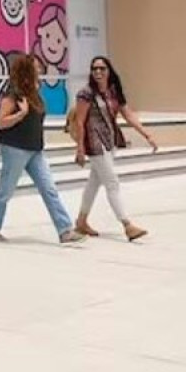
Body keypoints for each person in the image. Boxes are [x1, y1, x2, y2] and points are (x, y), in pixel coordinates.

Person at [0, 54, 85, 244]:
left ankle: (65, 230)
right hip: (15, 149)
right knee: (5, 191)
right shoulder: (13, 94)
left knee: (49, 189)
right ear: (26, 70)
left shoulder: (35, 92)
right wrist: (21, 114)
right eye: (36, 67)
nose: (39, 69)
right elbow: (1, 122)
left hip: (35, 150)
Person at [73, 56, 157, 241]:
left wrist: (146, 134)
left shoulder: (113, 92)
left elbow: (128, 115)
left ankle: (81, 221)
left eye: (102, 68)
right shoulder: (85, 93)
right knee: (112, 183)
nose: (98, 72)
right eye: (94, 69)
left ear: (109, 71)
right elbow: (79, 122)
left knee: (94, 183)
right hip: (95, 144)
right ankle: (127, 225)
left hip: (109, 142)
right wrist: (79, 148)